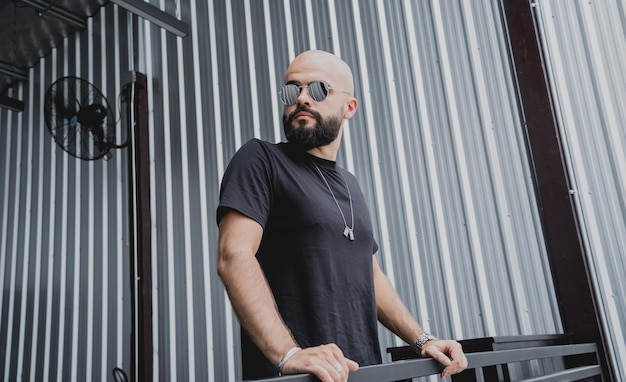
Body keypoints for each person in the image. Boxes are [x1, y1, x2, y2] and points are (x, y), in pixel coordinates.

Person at [216, 49, 467, 381]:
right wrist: (288, 354)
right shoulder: (261, 159)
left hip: (363, 371)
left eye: (318, 89)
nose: (302, 98)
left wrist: (423, 340)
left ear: (349, 107)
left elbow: (372, 276)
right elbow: (233, 255)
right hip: (303, 377)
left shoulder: (350, 184)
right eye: (293, 90)